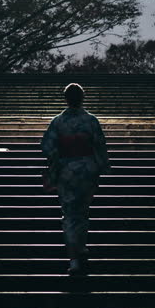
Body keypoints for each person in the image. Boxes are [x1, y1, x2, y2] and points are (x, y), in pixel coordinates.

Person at [41, 83, 110, 276]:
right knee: (83, 210)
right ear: (82, 98)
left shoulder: (58, 121)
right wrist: (102, 167)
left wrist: (56, 162)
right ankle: (81, 246)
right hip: (88, 169)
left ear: (65, 99)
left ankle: (74, 259)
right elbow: (99, 145)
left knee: (69, 214)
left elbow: (48, 147)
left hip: (66, 171)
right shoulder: (91, 120)